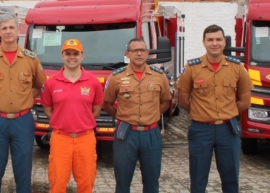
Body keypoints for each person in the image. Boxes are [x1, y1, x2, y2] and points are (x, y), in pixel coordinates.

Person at [0, 13, 47, 193]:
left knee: (23, 170)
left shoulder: (31, 58)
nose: (8, 32)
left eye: (11, 28)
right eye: (4, 28)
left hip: (23, 121)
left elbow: (39, 85)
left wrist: (27, 99)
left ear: (18, 31)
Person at [178, 24, 253, 193]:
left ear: (224, 42)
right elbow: (183, 100)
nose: (214, 43)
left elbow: (245, 101)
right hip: (200, 129)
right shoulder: (192, 67)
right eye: (210, 40)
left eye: (218, 39)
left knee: (231, 177)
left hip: (228, 129)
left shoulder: (237, 68)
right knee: (198, 177)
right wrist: (201, 112)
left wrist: (228, 112)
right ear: (203, 42)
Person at [103, 38, 171, 193]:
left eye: (142, 50)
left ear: (147, 53)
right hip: (126, 134)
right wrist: (122, 116)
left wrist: (151, 115)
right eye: (135, 50)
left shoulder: (159, 76)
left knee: (152, 180)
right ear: (127, 54)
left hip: (151, 134)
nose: (139, 53)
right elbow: (107, 103)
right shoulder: (116, 77)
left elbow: (166, 102)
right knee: (122, 180)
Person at [40, 39, 103, 193]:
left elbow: (96, 110)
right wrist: (62, 121)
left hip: (85, 139)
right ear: (62, 55)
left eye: (76, 53)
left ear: (82, 56)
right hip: (60, 139)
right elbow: (47, 109)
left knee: (86, 183)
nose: (72, 57)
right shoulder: (51, 83)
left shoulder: (93, 82)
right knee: (58, 183)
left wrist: (81, 123)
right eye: (68, 53)